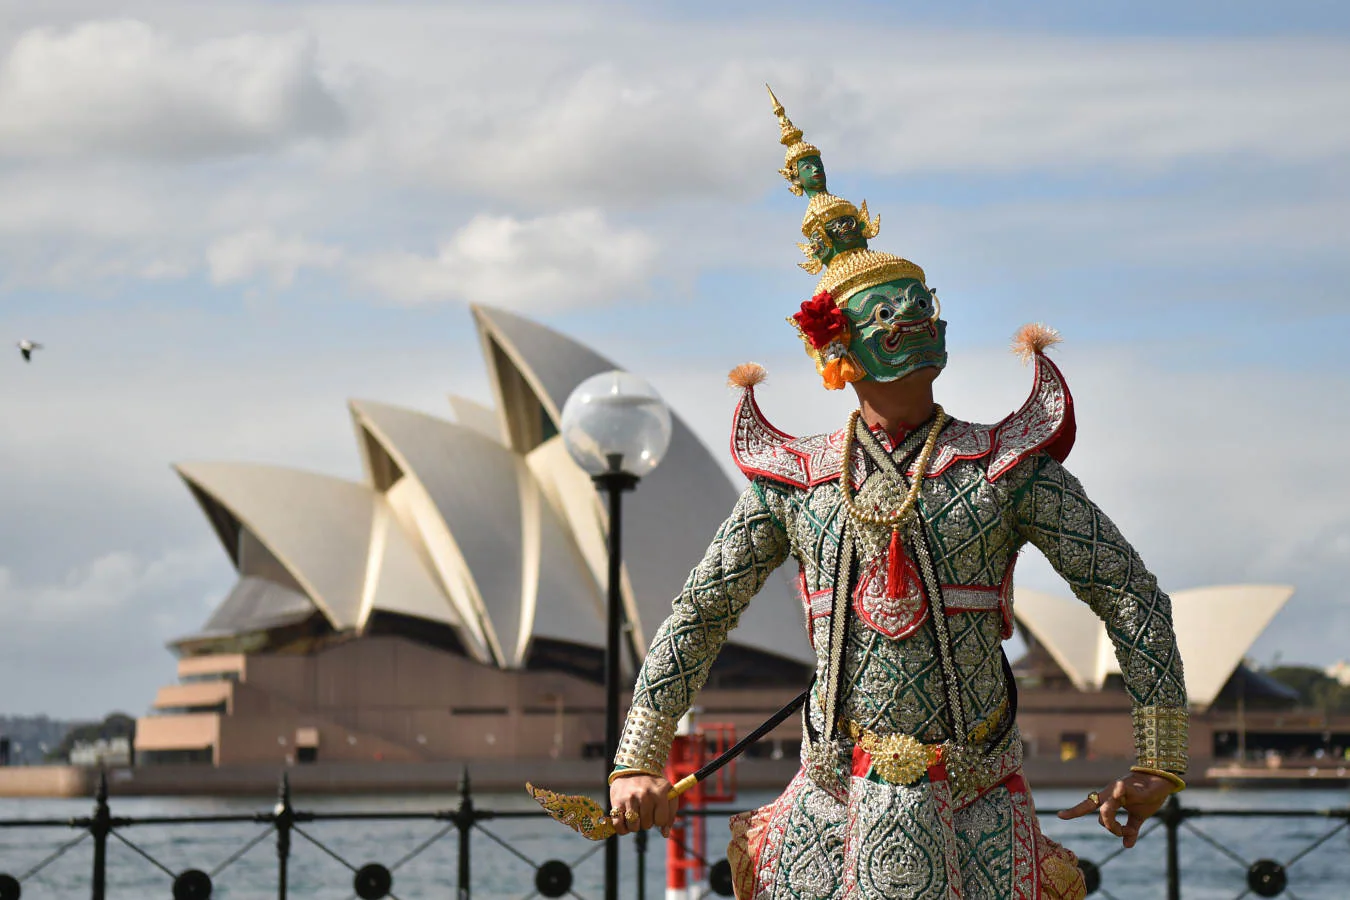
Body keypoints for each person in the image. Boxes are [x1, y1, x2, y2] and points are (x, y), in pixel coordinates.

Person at [606, 90, 1189, 899]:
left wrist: (1158, 756)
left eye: (920, 307)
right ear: (836, 348)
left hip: (976, 800)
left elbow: (1128, 595)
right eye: (886, 313)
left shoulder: (1004, 467)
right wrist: (638, 756)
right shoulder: (796, 481)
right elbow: (699, 613)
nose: (909, 321)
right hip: (828, 802)